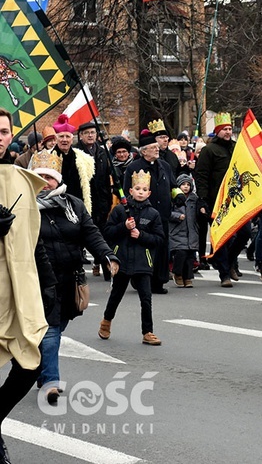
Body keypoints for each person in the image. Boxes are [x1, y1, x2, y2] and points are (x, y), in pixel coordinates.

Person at [31, 149, 120, 403]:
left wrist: (107, 255)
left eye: (49, 177)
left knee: (59, 324)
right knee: (51, 328)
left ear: (58, 179)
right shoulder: (26, 205)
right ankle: (50, 381)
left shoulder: (73, 204)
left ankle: (38, 367)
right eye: (40, 177)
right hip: (40, 278)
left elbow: (90, 232)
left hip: (71, 276)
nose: (45, 182)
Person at [0, 108, 51, 464]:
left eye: (3, 131)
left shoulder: (20, 179)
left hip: (19, 287)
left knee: (32, 361)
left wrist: (50, 284)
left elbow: (35, 238)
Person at [99, 169, 164, 345]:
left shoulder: (153, 214)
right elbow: (108, 232)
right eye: (137, 188)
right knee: (116, 295)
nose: (141, 192)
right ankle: (106, 321)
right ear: (131, 191)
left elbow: (159, 239)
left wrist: (141, 235)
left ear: (149, 193)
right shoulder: (120, 210)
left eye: (144, 189)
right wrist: (124, 226)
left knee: (146, 298)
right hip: (123, 260)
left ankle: (148, 331)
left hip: (143, 261)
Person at [124, 129, 175, 294]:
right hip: (143, 214)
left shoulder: (164, 166)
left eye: (157, 146)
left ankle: (159, 281)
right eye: (153, 147)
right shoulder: (133, 168)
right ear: (144, 151)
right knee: (145, 248)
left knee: (161, 247)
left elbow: (173, 186)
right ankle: (141, 279)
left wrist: (178, 195)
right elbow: (127, 191)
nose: (157, 148)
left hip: (163, 214)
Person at [194, 112, 237, 287]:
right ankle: (224, 273)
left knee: (244, 234)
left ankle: (231, 261)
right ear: (217, 131)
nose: (228, 132)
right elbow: (201, 175)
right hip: (216, 201)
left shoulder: (236, 147)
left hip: (236, 199)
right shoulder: (209, 150)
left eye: (229, 129)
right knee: (221, 238)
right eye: (224, 129)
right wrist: (203, 199)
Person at [77, 122, 115, 280]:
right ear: (81, 136)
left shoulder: (102, 152)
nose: (90, 135)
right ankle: (80, 271)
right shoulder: (76, 152)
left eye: (93, 132)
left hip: (101, 200)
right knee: (81, 234)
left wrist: (107, 198)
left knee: (102, 235)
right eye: (87, 133)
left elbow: (107, 176)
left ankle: (106, 268)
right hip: (83, 200)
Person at [51, 114, 95, 215]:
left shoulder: (84, 159)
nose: (64, 140)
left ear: (72, 139)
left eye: (67, 136)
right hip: (55, 208)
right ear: (56, 139)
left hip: (78, 207)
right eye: (61, 136)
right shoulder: (47, 158)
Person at [169, 174, 204, 288]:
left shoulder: (194, 198)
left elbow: (198, 213)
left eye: (188, 184)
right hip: (177, 231)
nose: (185, 187)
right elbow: (167, 212)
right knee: (180, 253)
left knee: (190, 255)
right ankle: (177, 273)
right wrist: (177, 216)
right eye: (183, 184)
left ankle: (188, 277)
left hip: (191, 231)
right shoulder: (173, 198)